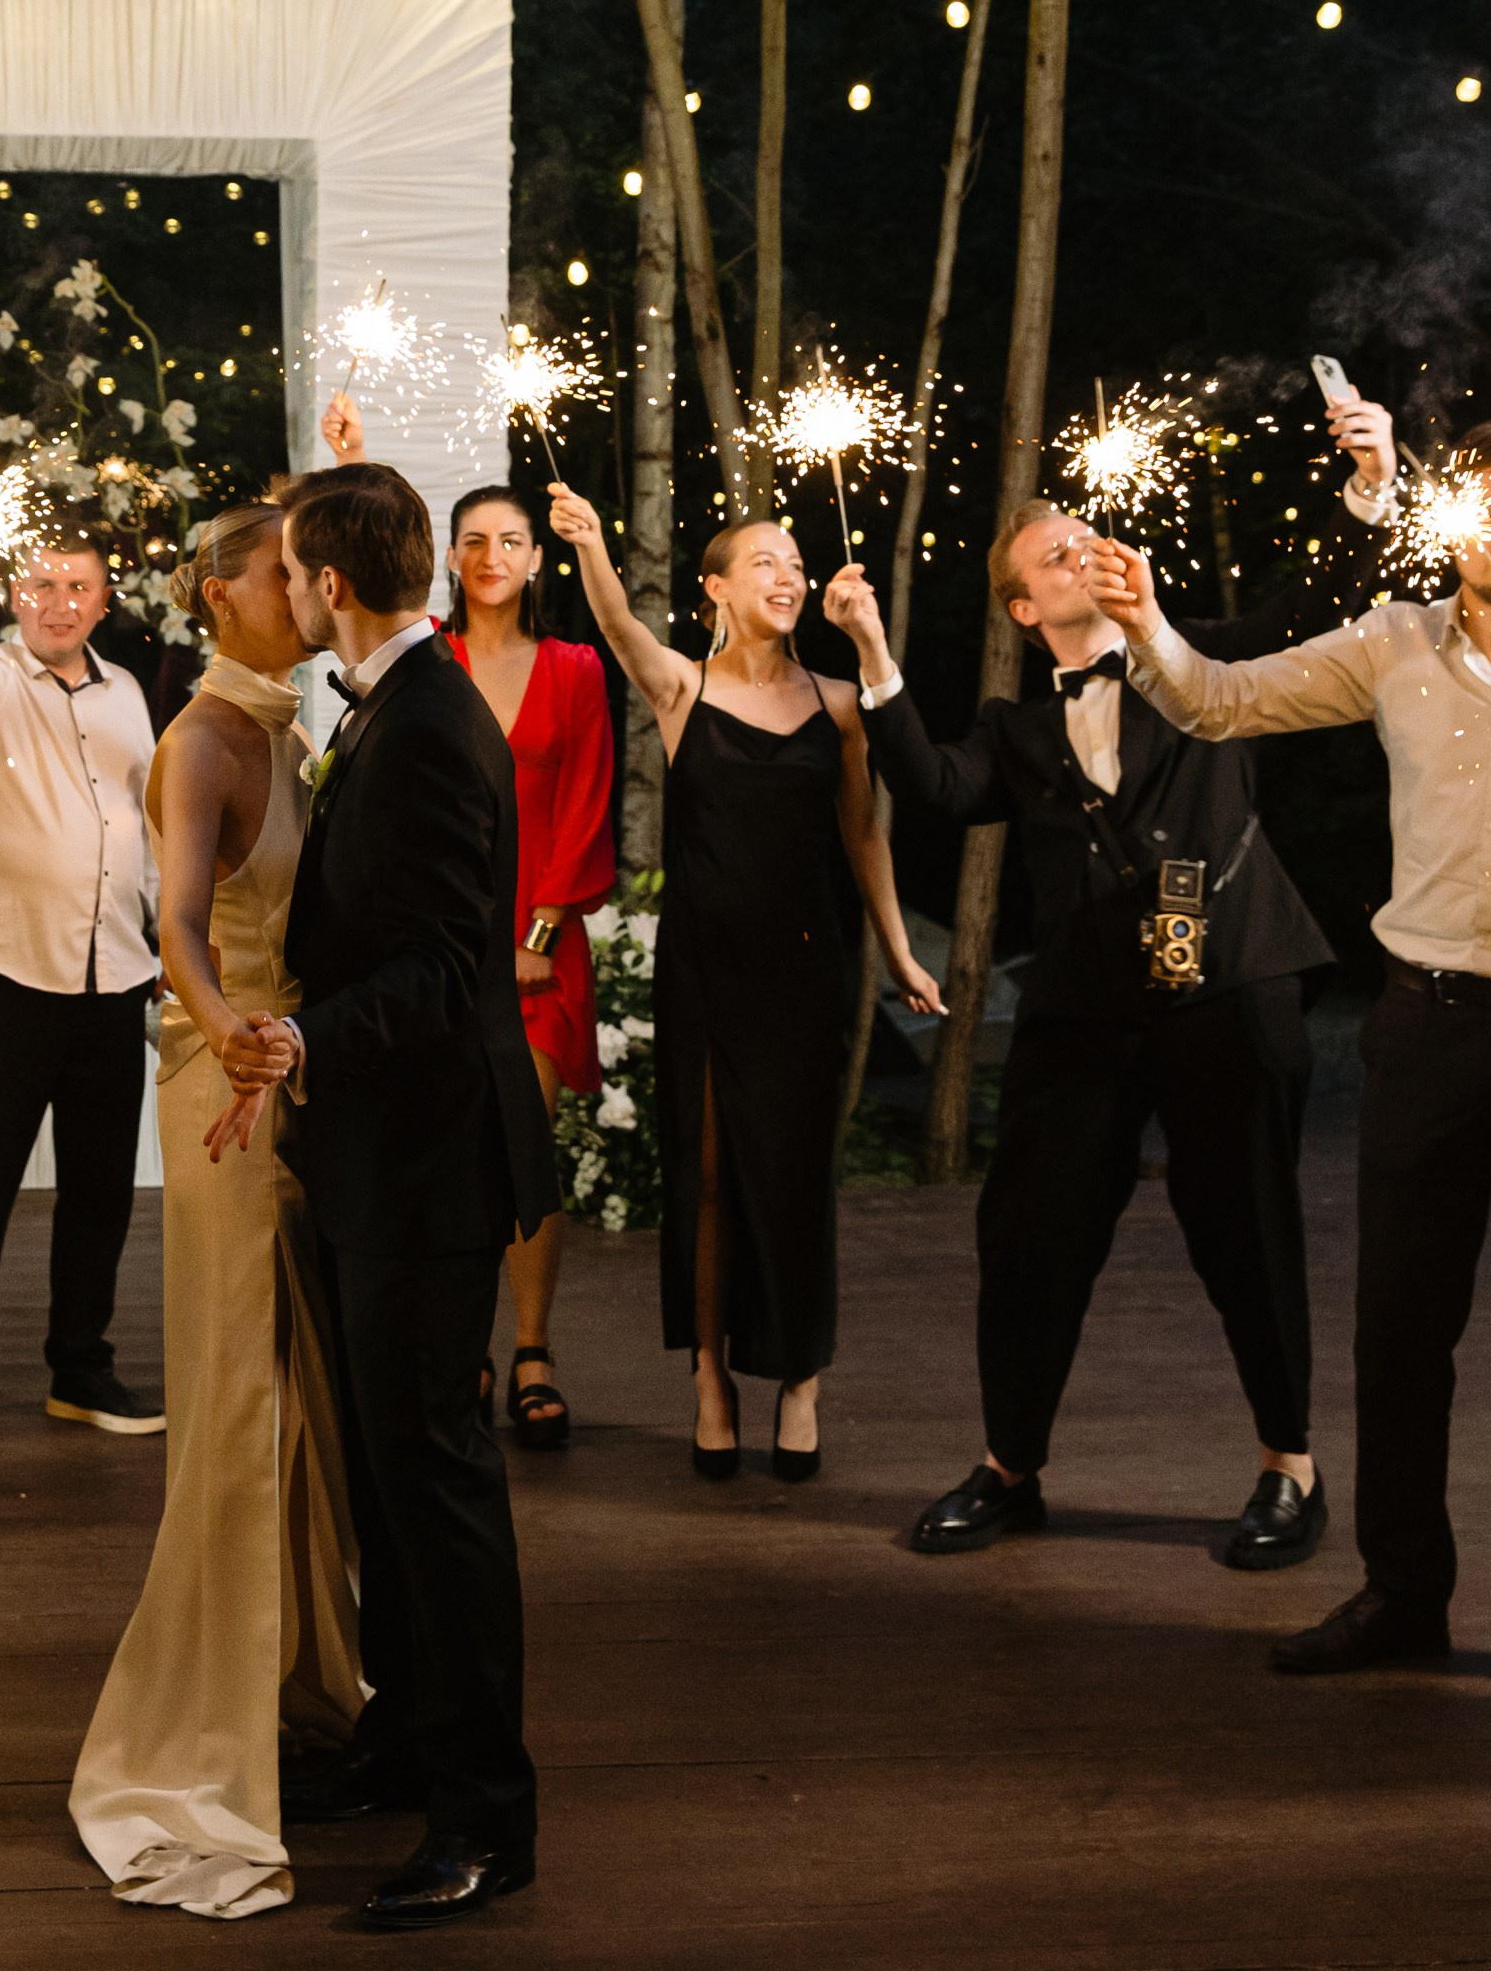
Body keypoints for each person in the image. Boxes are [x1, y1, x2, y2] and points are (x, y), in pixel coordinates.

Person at [825, 384, 1397, 1566]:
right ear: (1025, 604)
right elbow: (932, 786)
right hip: (1085, 1012)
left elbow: (1319, 602)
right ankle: (1009, 1467)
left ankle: (1290, 1468)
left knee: (1246, 1225)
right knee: (1028, 1234)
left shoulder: (1208, 662)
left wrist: (1368, 486)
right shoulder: (1019, 732)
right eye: (1051, 550)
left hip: (1231, 979)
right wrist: (876, 655)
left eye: (1085, 533)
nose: (1078, 545)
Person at [1092, 412, 1491, 1672]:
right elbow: (1217, 702)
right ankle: (1402, 1594)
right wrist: (1149, 623)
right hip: (1433, 1022)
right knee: (1401, 1327)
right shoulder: (1396, 643)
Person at [226, 459, 556, 1932]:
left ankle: (489, 1814)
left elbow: (435, 968)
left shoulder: (423, 729)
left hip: (427, 1151)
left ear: (333, 589)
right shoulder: (393, 706)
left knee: (436, 1482)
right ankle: (405, 1740)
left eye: (295, 572)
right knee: (382, 1469)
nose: (286, 593)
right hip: (376, 1146)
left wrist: (304, 1037)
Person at [69, 498, 362, 1919]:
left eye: (309, 569)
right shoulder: (202, 738)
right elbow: (177, 926)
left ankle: (305, 1682)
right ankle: (207, 1745)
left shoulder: (296, 722)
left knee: (303, 1395)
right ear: (218, 592)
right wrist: (232, 1030)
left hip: (298, 1083)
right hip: (230, 1091)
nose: (305, 591)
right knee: (240, 1402)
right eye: (279, 572)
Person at [550, 490, 942, 1479]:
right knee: (712, 1178)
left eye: (796, 563)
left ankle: (801, 1382)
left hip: (806, 971)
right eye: (764, 562)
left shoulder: (841, 705)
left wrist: (897, 951)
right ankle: (713, 1382)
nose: (788, 576)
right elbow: (613, 625)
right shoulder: (681, 690)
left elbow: (864, 835)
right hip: (705, 971)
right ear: (716, 588)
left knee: (796, 1182)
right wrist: (593, 544)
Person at [0, 531, 163, 1449]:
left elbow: (147, 823)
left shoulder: (129, 693)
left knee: (101, 1186)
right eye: (42, 584)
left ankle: (81, 1368)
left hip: (117, 972)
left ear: (103, 600)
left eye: (77, 587)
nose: (59, 601)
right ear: (14, 595)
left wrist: (168, 933)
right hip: (9, 969)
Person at [444, 485, 613, 1444]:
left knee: (523, 1140)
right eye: (474, 540)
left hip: (539, 945)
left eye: (511, 540)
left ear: (536, 559)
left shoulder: (576, 667)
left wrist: (538, 938)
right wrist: (353, 458)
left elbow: (589, 795)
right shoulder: (431, 656)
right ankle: (463, 1340)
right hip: (450, 938)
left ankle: (534, 1347)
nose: (493, 554)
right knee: (455, 1147)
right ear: (453, 558)